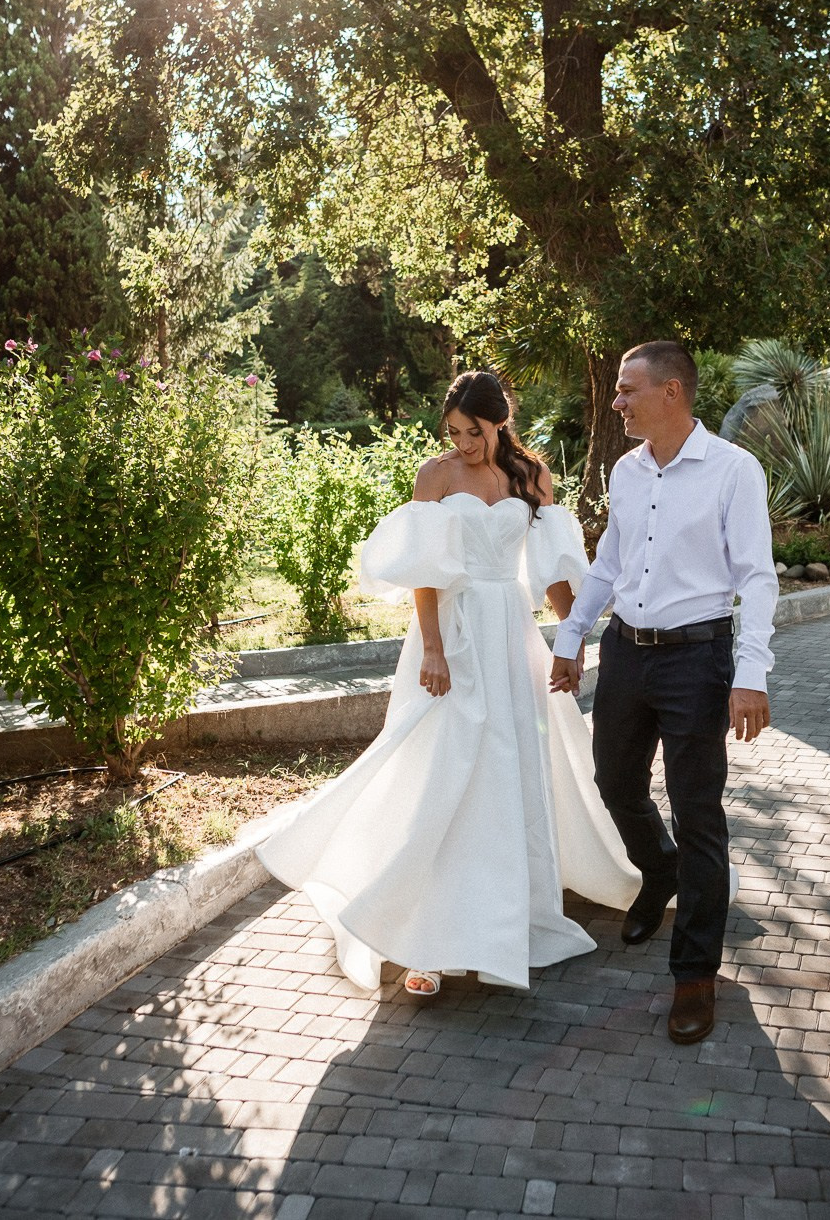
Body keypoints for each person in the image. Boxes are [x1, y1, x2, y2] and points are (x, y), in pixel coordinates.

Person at [255, 370, 641, 996]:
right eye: (454, 433)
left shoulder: (532, 477)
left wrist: (571, 640)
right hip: (452, 638)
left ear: (500, 421)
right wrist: (433, 650)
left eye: (474, 432)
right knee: (444, 768)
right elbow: (426, 575)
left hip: (511, 634)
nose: (462, 443)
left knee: (509, 767)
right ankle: (422, 940)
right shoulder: (435, 477)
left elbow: (552, 574)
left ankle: (506, 916)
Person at [551, 340, 776, 1045]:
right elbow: (609, 561)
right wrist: (571, 636)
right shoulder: (626, 469)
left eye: (627, 389)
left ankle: (694, 976)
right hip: (626, 652)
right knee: (613, 781)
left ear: (672, 392)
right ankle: (659, 868)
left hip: (697, 660)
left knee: (699, 812)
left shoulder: (734, 472)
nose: (615, 401)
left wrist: (751, 673)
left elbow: (758, 576)